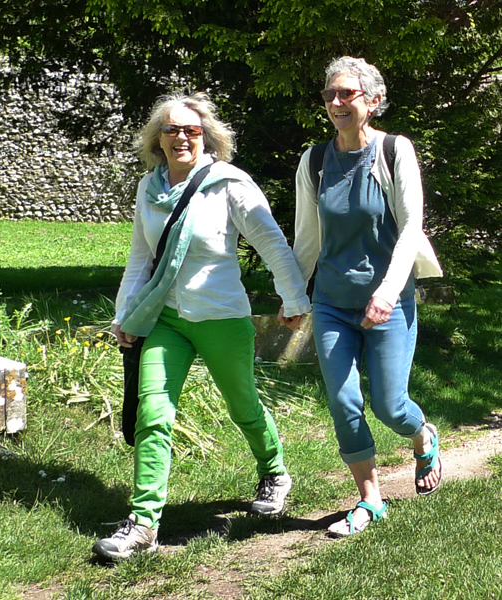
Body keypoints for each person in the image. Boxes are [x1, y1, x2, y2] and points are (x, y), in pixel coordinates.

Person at [92, 91, 311, 561]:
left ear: (207, 136)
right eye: (171, 129)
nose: (181, 137)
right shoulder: (148, 188)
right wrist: (125, 314)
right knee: (153, 414)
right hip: (165, 319)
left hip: (222, 318)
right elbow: (140, 259)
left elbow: (272, 243)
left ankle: (274, 470)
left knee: (243, 406)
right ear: (158, 139)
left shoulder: (230, 184)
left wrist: (293, 298)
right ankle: (144, 522)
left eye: (191, 129)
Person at [285, 56, 444, 538]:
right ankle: (370, 499)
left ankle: (423, 436)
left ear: (372, 102)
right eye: (330, 94)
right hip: (333, 301)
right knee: (343, 399)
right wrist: (294, 293)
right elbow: (307, 236)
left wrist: (388, 292)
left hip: (388, 300)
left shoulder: (395, 151)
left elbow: (410, 227)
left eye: (346, 94)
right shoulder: (314, 160)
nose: (336, 102)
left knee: (391, 406)